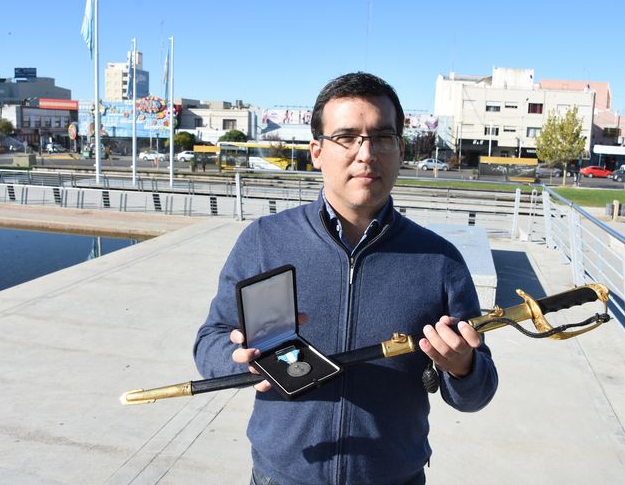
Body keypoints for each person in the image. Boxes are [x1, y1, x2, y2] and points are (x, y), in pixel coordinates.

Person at [194, 72, 498, 485]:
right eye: (347, 136)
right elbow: (211, 338)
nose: (366, 153)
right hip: (282, 476)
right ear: (317, 151)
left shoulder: (439, 260)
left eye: (381, 137)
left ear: (400, 149)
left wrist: (462, 368)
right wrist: (235, 359)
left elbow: (477, 392)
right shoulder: (264, 241)